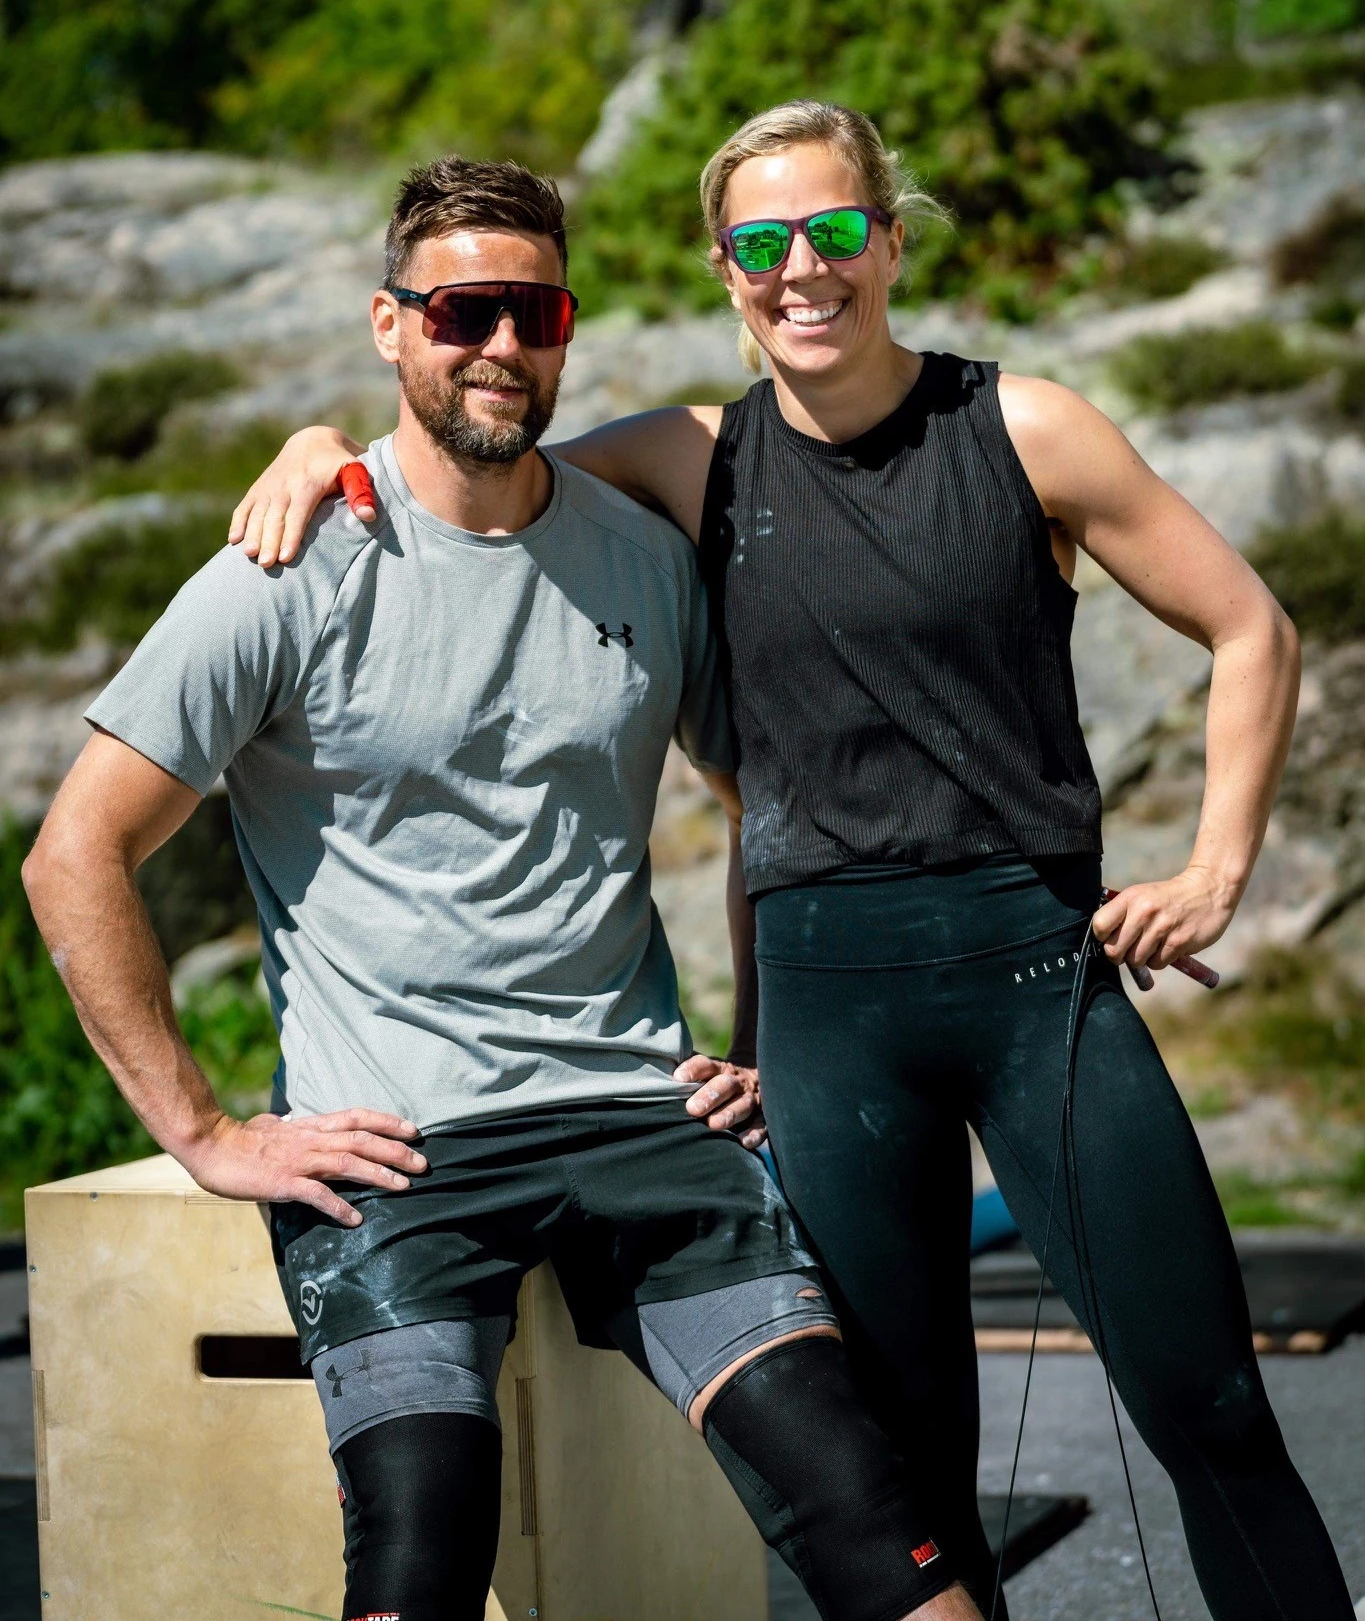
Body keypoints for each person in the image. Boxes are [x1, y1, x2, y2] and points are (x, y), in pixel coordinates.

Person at [237, 103, 1355, 1621]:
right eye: (762, 244)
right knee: (909, 1469)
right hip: (830, 1031)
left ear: (889, 238)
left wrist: (1215, 874)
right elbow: (473, 440)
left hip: (1041, 988)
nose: (802, 269)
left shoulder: (1027, 429)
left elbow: (1251, 629)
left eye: (835, 230)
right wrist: (318, 444)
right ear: (723, 270)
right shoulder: (689, 459)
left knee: (1210, 1409)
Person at [24, 153, 991, 1621]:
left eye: (532, 314)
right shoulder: (288, 566)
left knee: (874, 1516)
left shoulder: (646, 562)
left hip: (641, 1119)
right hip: (405, 1157)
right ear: (391, 324)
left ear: (567, 327)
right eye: (464, 311)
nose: (499, 346)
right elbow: (75, 851)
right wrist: (206, 1131)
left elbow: (769, 812)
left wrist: (764, 1047)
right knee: (420, 1550)